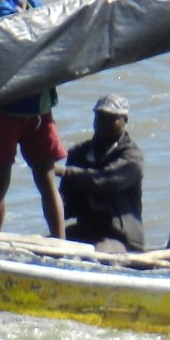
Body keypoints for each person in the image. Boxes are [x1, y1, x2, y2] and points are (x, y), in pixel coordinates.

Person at [0, 0, 66, 239]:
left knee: (46, 177)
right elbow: (25, 32)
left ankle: (60, 241)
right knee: (0, 180)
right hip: (7, 109)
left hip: (38, 109)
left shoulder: (31, 2)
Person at [58, 93, 144, 253]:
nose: (104, 123)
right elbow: (66, 203)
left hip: (121, 238)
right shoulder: (79, 153)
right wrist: (45, 182)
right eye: (100, 117)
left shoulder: (132, 155)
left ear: (125, 120)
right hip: (86, 231)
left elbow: (107, 180)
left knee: (97, 254)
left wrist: (64, 172)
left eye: (111, 119)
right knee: (43, 245)